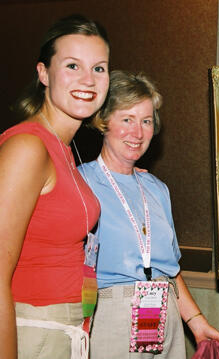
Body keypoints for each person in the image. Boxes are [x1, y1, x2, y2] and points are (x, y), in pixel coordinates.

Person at [78, 70, 219, 358]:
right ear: (103, 122)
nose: (138, 132)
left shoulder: (157, 189)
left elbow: (169, 269)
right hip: (110, 319)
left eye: (146, 121)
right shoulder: (80, 183)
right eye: (127, 119)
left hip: (165, 316)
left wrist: (196, 322)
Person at [0, 15, 110, 359]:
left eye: (100, 68)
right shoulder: (27, 147)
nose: (88, 80)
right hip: (34, 332)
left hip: (66, 331)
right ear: (44, 73)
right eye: (73, 65)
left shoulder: (64, 149)